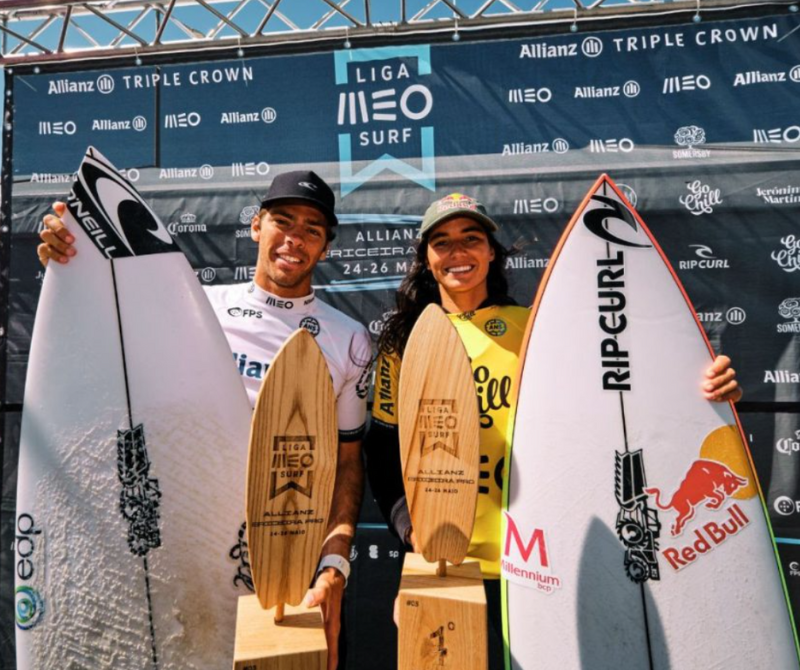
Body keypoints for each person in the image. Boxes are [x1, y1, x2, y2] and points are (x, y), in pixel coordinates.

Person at [363, 192, 742, 670]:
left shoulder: (536, 327)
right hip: (443, 561)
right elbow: (382, 446)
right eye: (442, 243)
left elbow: (617, 403)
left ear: (491, 252)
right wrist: (405, 525)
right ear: (426, 259)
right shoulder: (405, 341)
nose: (457, 252)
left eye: (471, 239)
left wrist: (704, 390)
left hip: (532, 559)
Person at [37, 170, 371, 670]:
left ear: (325, 247)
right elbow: (107, 338)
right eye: (282, 221)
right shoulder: (196, 309)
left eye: (312, 229)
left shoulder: (348, 340)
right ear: (256, 226)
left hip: (285, 564)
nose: (295, 239)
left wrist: (334, 562)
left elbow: (347, 463)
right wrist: (70, 259)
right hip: (184, 559)